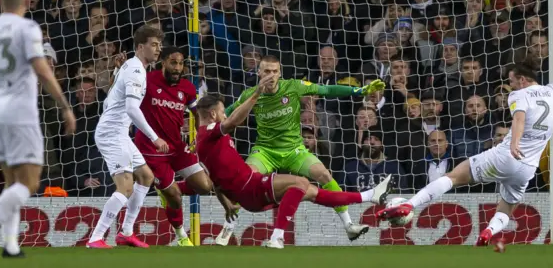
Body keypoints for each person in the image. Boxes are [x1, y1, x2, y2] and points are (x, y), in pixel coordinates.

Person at [376, 49, 553, 246]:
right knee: (507, 206)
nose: (509, 84)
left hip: (507, 154)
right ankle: (488, 233)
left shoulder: (518, 95)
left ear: (521, 79)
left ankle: (409, 204)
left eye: (510, 80)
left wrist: (515, 143)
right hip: (528, 167)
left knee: (454, 177)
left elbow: (518, 119)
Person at [195, 77, 393, 249]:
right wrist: (255, 95)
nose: (270, 76)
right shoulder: (213, 131)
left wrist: (359, 90)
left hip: (279, 161)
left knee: (314, 190)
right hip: (259, 166)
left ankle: (369, 197)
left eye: (274, 71)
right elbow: (231, 120)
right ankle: (275, 236)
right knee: (300, 183)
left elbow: (215, 180)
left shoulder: (204, 139)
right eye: (266, 71)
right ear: (213, 115)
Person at [0, 0, 76, 257]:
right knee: (30, 182)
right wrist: (65, 106)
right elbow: (43, 70)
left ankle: (10, 244)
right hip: (21, 110)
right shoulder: (27, 28)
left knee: (11, 181)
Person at [86, 26, 168, 249]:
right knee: (125, 187)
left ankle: (126, 232)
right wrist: (154, 138)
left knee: (146, 177)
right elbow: (132, 109)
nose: (158, 49)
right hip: (112, 133)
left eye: (159, 45)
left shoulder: (128, 66)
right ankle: (95, 237)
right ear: (140, 47)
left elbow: (110, 100)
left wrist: (115, 73)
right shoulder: (136, 71)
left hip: (117, 131)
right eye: (153, 44)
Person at [128, 47, 213, 247]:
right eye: (173, 62)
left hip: (176, 147)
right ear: (163, 62)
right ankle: (182, 235)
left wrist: (199, 135)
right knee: (175, 197)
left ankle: (167, 190)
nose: (177, 67)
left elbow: (197, 113)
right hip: (151, 151)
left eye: (181, 63)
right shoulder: (148, 80)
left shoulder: (188, 88)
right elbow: (128, 102)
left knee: (204, 186)